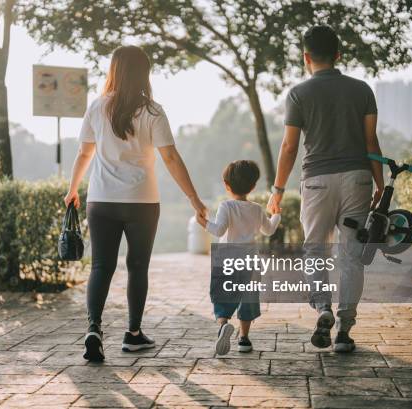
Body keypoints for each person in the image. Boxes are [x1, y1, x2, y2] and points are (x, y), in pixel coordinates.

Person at [64, 45, 207, 362]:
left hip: (101, 199)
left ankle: (94, 328)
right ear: (145, 73)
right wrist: (194, 199)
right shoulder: (153, 111)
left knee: (101, 265)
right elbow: (170, 157)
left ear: (113, 71)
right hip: (142, 201)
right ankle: (132, 334)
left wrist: (73, 189)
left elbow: (84, 153)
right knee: (137, 266)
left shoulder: (97, 107)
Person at [267, 25, 384, 353]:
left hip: (317, 182)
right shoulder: (362, 90)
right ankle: (345, 330)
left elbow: (290, 147)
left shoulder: (298, 94)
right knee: (351, 255)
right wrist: (380, 183)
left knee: (315, 250)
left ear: (306, 57)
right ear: (338, 55)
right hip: (358, 179)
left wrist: (277, 189)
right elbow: (371, 140)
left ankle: (323, 309)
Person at [197, 160, 281, 355]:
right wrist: (276, 215)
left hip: (227, 258)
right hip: (250, 259)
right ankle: (244, 339)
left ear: (227, 185)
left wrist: (203, 222)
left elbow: (218, 230)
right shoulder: (257, 208)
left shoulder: (226, 206)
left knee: (223, 295)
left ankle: (223, 324)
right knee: (248, 298)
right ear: (253, 186)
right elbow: (268, 231)